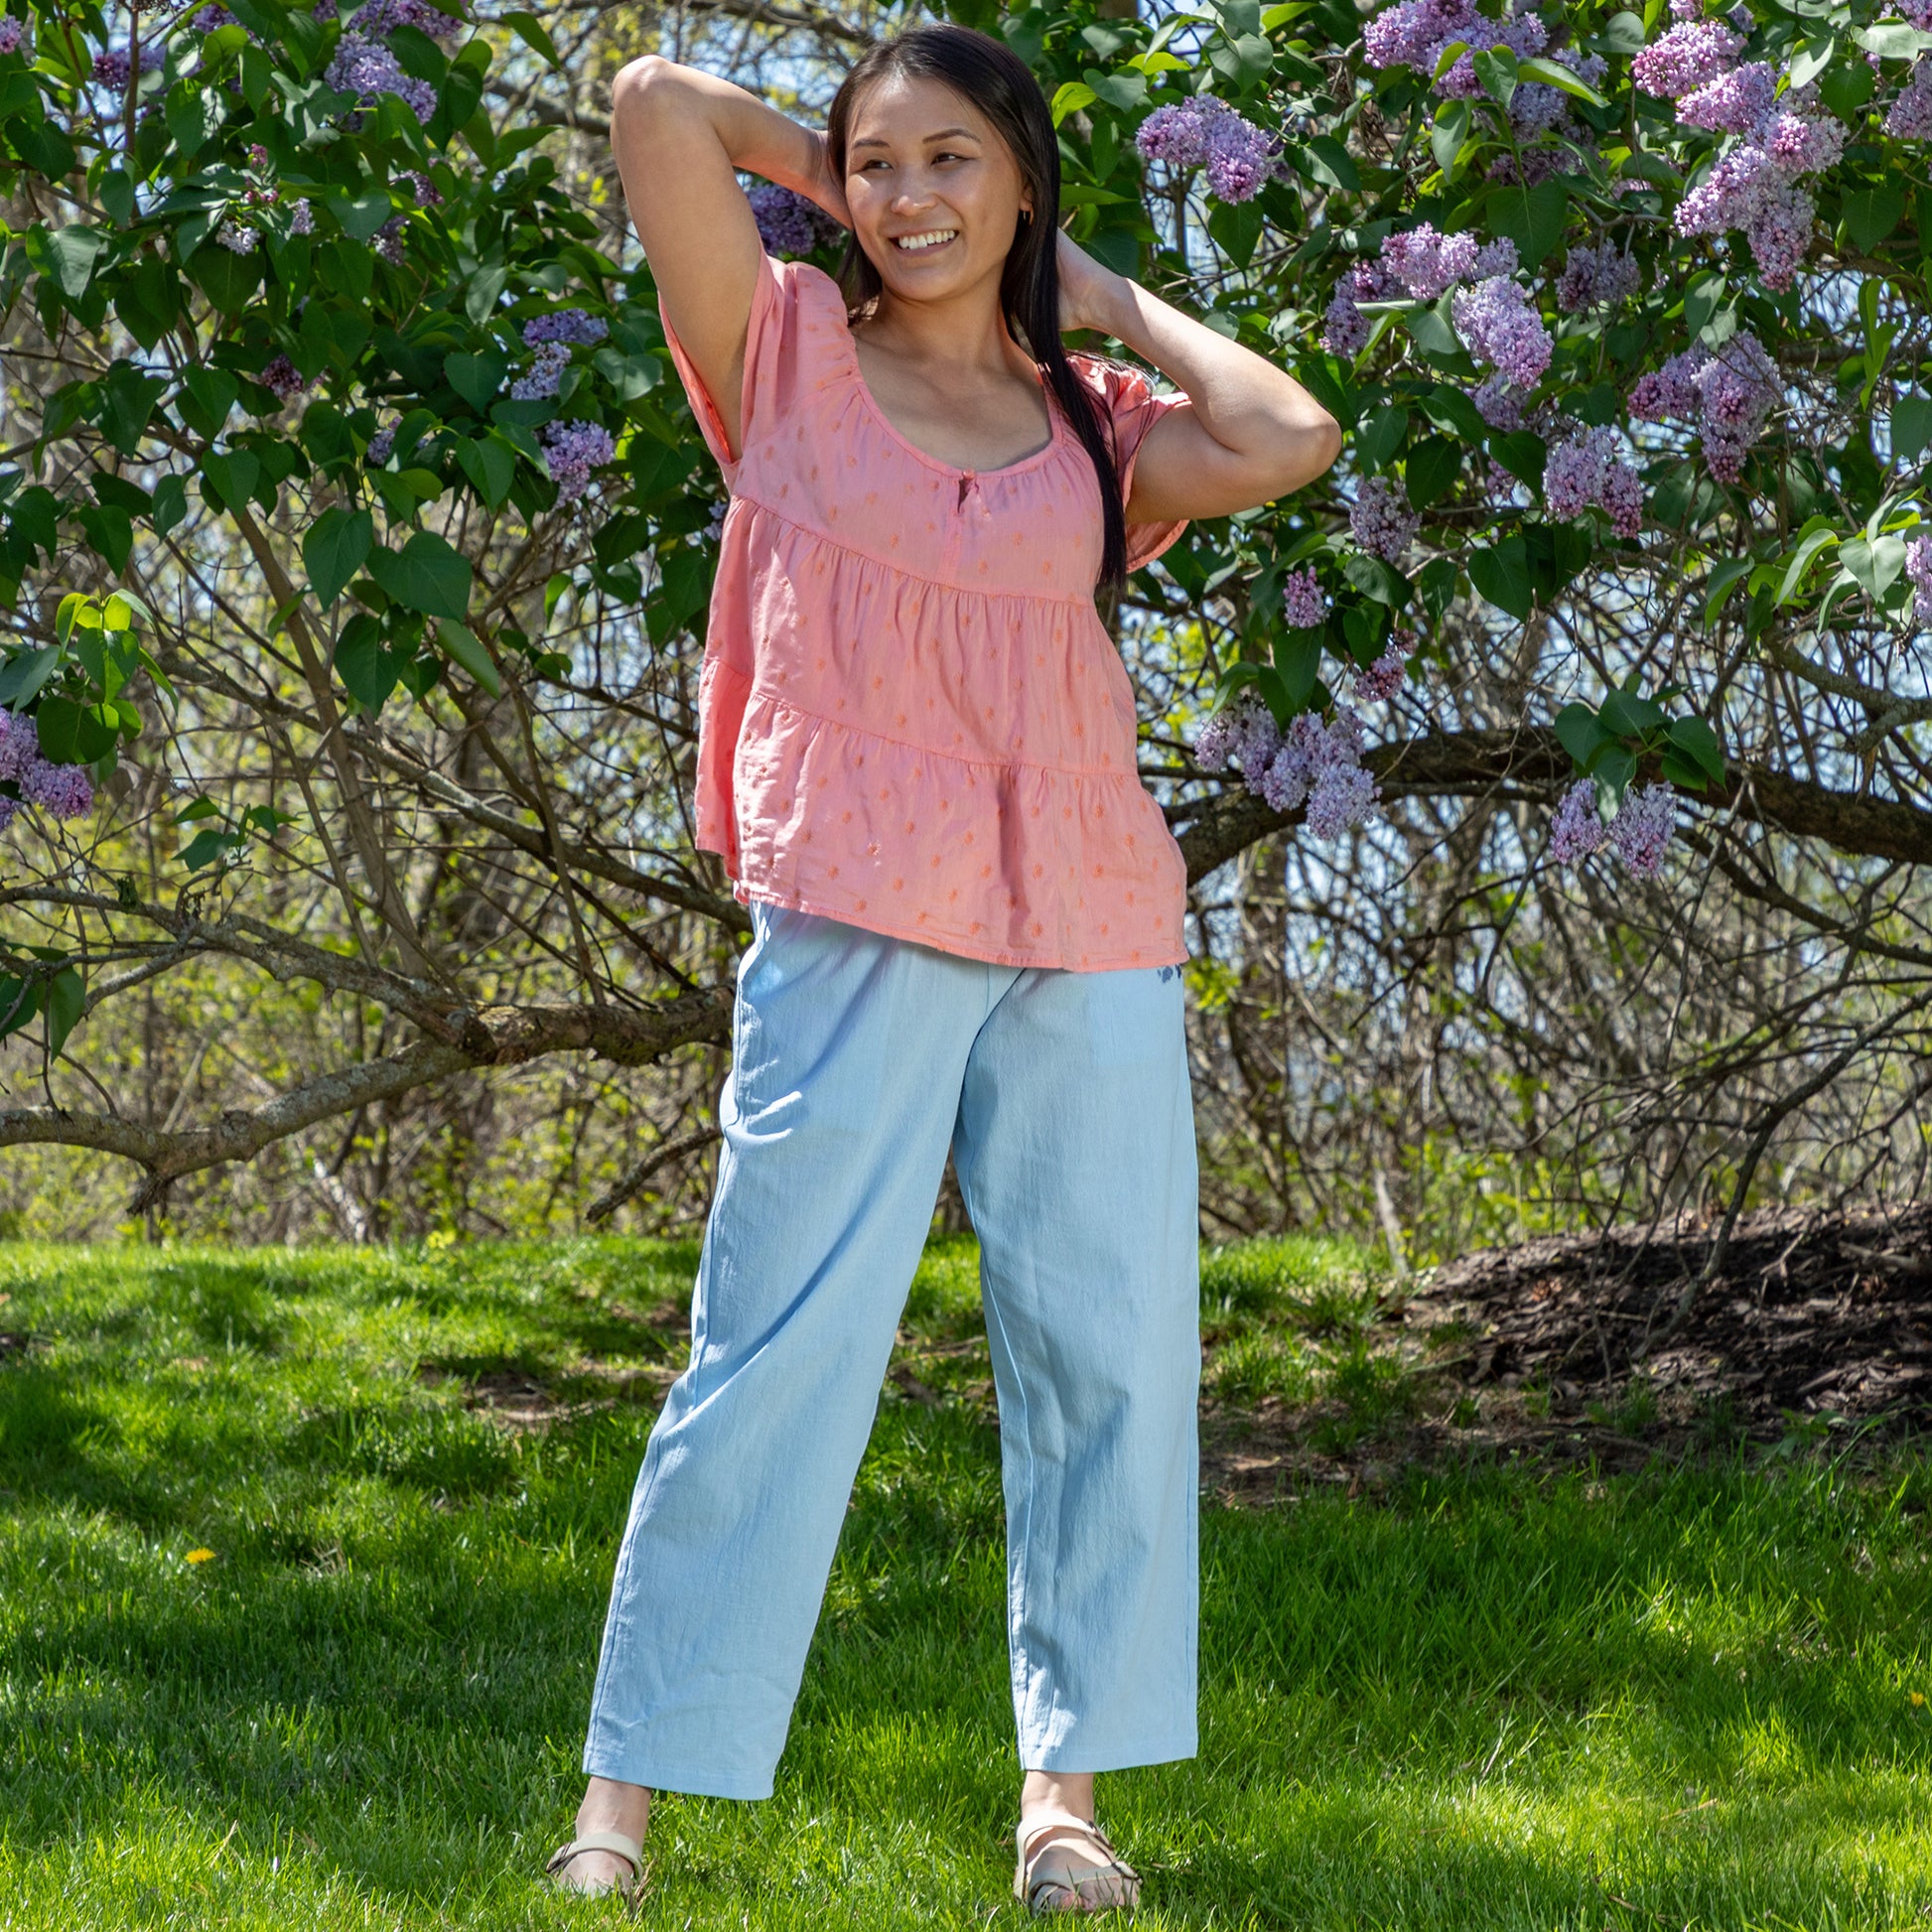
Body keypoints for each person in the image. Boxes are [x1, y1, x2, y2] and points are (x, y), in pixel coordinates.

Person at [544, 21, 1340, 1915]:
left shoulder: (1094, 423)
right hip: (855, 904)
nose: (907, 195)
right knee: (773, 1345)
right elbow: (656, 103)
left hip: (1086, 917)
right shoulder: (784, 351)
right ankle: (618, 1809)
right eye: (875, 160)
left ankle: (1062, 1805)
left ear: (1025, 180)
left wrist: (1099, 295)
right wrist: (868, 204)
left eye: (951, 160)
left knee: (1108, 1356)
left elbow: (1289, 435)